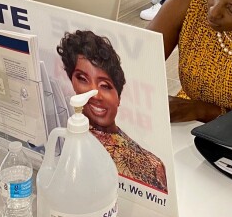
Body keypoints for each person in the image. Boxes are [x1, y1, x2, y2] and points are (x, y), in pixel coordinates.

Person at [57, 30, 168, 192]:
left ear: (119, 97)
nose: (95, 94)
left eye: (105, 86)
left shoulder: (152, 165)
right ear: (72, 82)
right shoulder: (60, 137)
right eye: (82, 78)